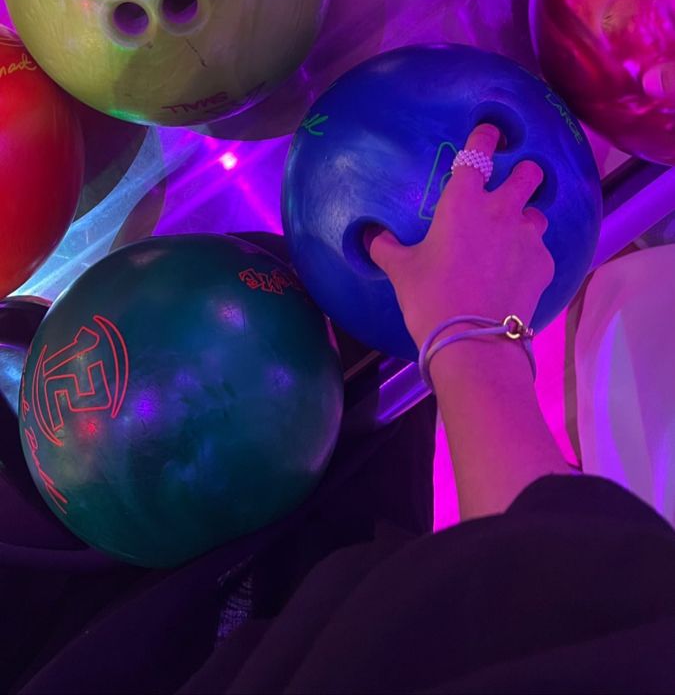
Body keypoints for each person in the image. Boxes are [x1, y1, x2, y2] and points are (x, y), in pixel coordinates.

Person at [8, 127, 675, 694]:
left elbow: (550, 599)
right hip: (299, 445)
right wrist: (470, 333)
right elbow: (556, 601)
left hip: (210, 405)